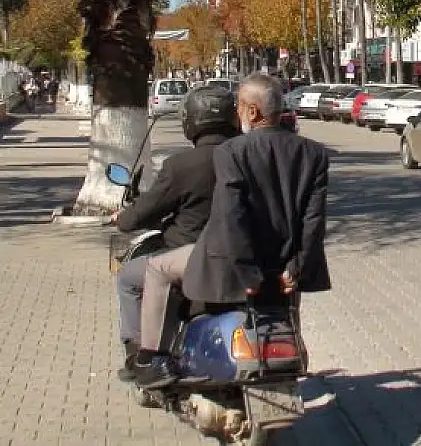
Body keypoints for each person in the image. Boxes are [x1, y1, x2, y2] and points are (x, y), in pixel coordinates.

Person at [134, 73, 332, 387]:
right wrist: (297, 266)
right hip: (283, 264)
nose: (236, 113)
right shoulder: (314, 153)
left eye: (239, 105)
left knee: (157, 268)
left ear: (253, 111)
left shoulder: (232, 152)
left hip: (231, 264)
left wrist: (247, 273)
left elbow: (231, 217)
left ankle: (151, 357)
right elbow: (313, 219)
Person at [113, 86, 239, 382]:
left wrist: (124, 217)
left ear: (191, 121)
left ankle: (142, 357)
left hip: (191, 257)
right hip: (248, 257)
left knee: (129, 278)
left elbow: (139, 215)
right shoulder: (250, 156)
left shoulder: (180, 166)